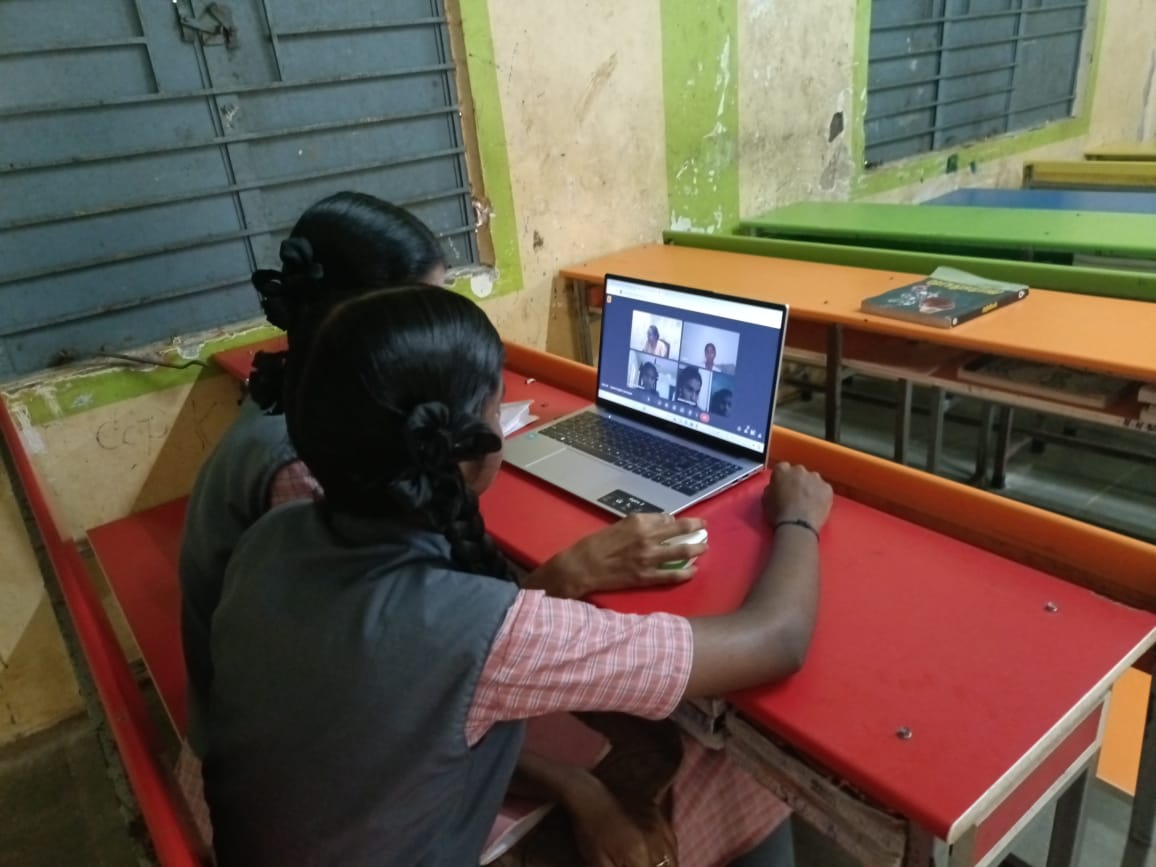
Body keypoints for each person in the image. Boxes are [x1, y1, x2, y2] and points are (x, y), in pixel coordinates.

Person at [203, 285, 833, 866]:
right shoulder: (485, 630)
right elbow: (776, 642)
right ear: (468, 449)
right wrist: (798, 520)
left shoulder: (270, 538)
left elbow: (422, 711)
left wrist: (578, 788)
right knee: (726, 766)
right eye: (497, 402)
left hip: (296, 835)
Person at [177, 192, 712, 848]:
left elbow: (405, 660)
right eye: (422, 314)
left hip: (292, 735)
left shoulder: (315, 430)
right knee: (687, 754)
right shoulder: (300, 470)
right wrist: (578, 781)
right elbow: (397, 686)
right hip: (314, 773)